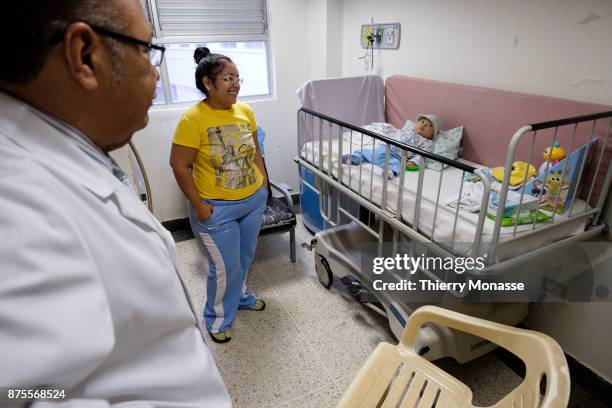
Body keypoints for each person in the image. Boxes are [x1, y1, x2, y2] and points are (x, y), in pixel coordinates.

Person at [0, 1, 230, 406]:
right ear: (85, 56)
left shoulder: (65, 151)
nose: (156, 70)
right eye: (145, 49)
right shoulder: (15, 205)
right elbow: (25, 394)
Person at [170, 47, 268, 344]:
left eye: (237, 78)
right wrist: (199, 206)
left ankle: (239, 297)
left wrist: (263, 184)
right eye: (228, 78)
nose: (236, 84)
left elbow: (255, 151)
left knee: (244, 257)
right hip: (217, 209)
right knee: (225, 266)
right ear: (207, 84)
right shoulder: (193, 119)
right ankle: (216, 319)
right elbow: (179, 164)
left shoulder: (245, 111)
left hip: (252, 200)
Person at [343, 114, 441, 177]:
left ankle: (390, 172)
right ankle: (351, 159)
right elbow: (393, 135)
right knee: (363, 152)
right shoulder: (406, 130)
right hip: (382, 148)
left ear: (432, 135)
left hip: (394, 156)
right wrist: (413, 132)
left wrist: (413, 162)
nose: (424, 125)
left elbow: (422, 154)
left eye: (429, 125)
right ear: (416, 124)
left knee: (396, 164)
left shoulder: (427, 142)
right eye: (422, 121)